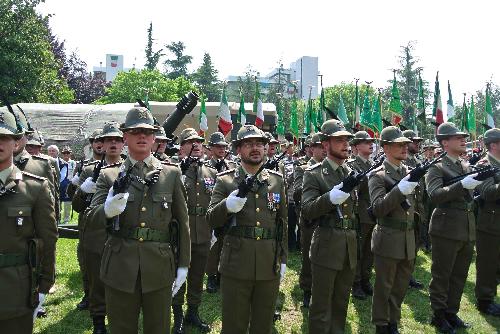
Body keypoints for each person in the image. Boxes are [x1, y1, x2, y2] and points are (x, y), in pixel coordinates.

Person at [86, 107, 190, 334]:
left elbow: (182, 222)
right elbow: (89, 220)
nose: (141, 136)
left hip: (159, 266)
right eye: (135, 132)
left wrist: (183, 263)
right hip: (120, 266)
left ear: (154, 137)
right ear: (125, 137)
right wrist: (107, 209)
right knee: (122, 328)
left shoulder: (171, 174)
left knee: (158, 327)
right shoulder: (109, 175)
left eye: (147, 132)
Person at [207, 124, 287, 334]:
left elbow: (282, 222)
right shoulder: (225, 181)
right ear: (238, 149)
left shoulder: (276, 181)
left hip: (268, 262)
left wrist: (284, 258)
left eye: (260, 144)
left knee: (263, 324)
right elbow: (211, 219)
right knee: (234, 324)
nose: (256, 148)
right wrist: (227, 205)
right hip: (236, 262)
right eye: (249, 144)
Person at [0, 107, 57, 333]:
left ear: (16, 143)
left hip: (18, 289)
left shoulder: (35, 188)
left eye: (4, 137)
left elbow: (48, 238)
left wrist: (44, 286)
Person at [301, 119, 357, 333]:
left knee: (341, 303)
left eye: (347, 140)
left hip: (348, 247)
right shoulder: (314, 174)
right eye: (339, 140)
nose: (346, 144)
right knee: (321, 306)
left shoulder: (349, 172)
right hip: (326, 246)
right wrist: (331, 197)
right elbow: (307, 210)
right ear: (325, 144)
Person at [425, 122, 481, 333]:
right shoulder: (436, 167)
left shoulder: (465, 165)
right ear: (445, 142)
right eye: (458, 137)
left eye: (463, 137)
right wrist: (461, 186)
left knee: (459, 274)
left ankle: (451, 312)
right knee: (442, 274)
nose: (463, 140)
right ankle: (438, 315)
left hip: (466, 227)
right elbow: (435, 195)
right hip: (445, 228)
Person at [72, 122, 125, 334]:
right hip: (95, 232)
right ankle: (98, 323)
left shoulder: (130, 168)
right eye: (107, 140)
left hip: (121, 233)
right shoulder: (88, 170)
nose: (112, 143)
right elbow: (76, 206)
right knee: (96, 280)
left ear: (123, 144)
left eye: (116, 140)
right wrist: (83, 192)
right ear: (100, 144)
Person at [368, 126, 417, 334]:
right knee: (384, 286)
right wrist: (399, 190)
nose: (405, 147)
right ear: (386, 147)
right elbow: (378, 208)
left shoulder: (409, 172)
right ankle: (381, 324)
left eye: (406, 144)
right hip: (388, 237)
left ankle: (393, 321)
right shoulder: (377, 176)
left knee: (400, 285)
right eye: (399, 144)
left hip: (407, 237)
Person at [171, 128, 215, 333]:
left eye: (198, 142)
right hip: (181, 232)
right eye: (190, 142)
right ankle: (178, 315)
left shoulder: (211, 172)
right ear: (182, 148)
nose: (196, 145)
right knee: (178, 273)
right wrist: (183, 170)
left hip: (203, 231)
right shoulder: (174, 170)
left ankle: (193, 312)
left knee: (197, 275)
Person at [70, 129, 104, 311]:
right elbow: (73, 198)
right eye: (96, 141)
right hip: (87, 220)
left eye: (102, 140)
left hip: (108, 219)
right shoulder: (85, 167)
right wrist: (79, 186)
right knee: (86, 258)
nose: (99, 144)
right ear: (91, 144)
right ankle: (88, 293)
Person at [292, 133, 325, 308]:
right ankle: (307, 289)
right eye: (320, 146)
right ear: (311, 149)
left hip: (329, 218)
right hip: (310, 219)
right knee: (308, 255)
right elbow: (297, 192)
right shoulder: (302, 167)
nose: (324, 150)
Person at [205, 131, 236, 294]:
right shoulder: (205, 165)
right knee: (213, 245)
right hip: (212, 209)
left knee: (225, 243)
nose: (221, 149)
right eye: (218, 147)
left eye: (224, 147)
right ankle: (211, 276)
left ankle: (222, 274)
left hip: (228, 210)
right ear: (210, 148)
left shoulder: (231, 166)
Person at [474, 128, 500, 317]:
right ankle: (485, 300)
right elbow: (487, 192)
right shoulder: (484, 164)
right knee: (488, 262)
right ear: (493, 145)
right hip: (489, 221)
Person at [348, 131, 377, 300]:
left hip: (374, 212)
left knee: (370, 250)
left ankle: (366, 279)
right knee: (358, 250)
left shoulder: (374, 163)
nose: (371, 144)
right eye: (366, 142)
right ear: (357, 146)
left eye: (372, 142)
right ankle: (356, 282)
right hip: (360, 212)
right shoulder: (352, 165)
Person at [401, 129, 425, 290]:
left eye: (417, 142)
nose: (417, 144)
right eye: (414, 142)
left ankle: (409, 274)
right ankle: (403, 275)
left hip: (418, 208)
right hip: (405, 209)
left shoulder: (417, 161)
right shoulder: (403, 163)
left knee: (414, 244)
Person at [59, 145, 76, 224]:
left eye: (68, 153)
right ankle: (57, 219)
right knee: (58, 202)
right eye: (64, 153)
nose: (66, 155)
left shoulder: (73, 163)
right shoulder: (59, 162)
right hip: (60, 184)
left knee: (67, 203)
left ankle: (66, 219)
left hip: (69, 185)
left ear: (70, 154)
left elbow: (75, 173)